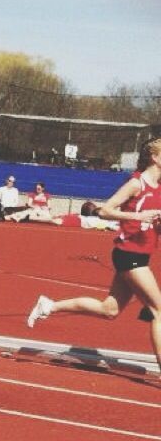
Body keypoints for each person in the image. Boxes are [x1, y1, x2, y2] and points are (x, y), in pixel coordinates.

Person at [27, 137, 161, 372]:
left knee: (109, 310)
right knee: (159, 309)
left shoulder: (158, 187)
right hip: (129, 254)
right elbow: (105, 210)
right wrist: (139, 217)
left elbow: (152, 224)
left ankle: (49, 306)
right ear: (155, 158)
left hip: (140, 253)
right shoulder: (136, 184)